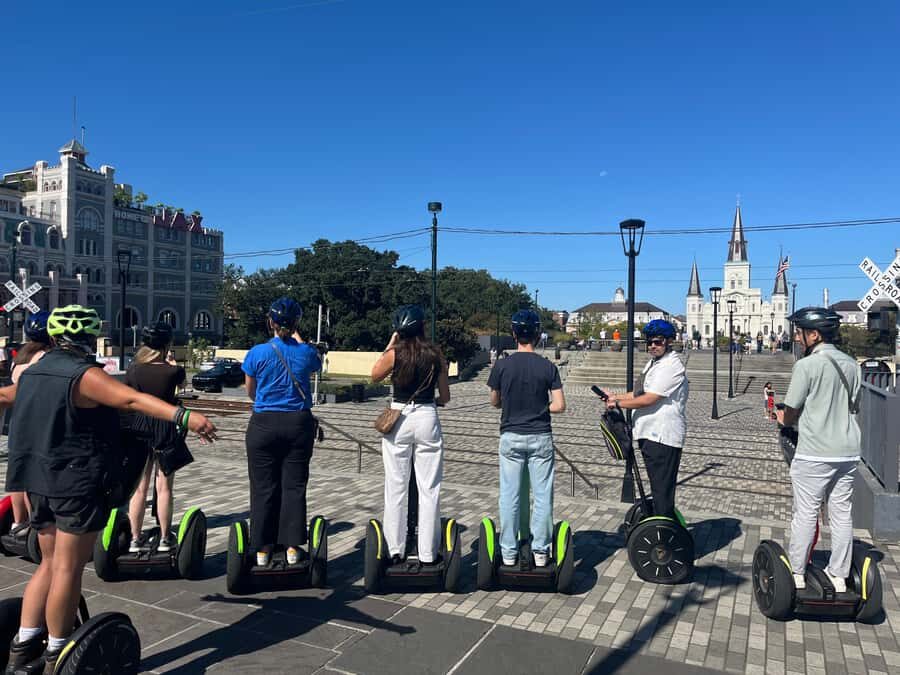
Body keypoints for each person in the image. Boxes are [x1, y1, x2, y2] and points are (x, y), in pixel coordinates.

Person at [2, 305, 216, 672]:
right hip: (73, 483)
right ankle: (57, 652)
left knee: (48, 564)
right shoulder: (82, 374)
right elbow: (131, 400)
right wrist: (186, 417)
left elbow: (7, 396)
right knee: (68, 569)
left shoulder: (35, 372)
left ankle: (23, 644)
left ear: (53, 338)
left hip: (36, 481)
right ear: (88, 339)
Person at [776, 307, 859, 592]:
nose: (797, 338)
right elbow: (854, 405)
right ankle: (839, 575)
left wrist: (779, 417)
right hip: (848, 451)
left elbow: (791, 411)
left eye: (800, 333)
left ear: (814, 335)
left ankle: (797, 572)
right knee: (841, 513)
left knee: (806, 513)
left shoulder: (806, 366)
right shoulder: (851, 364)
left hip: (815, 453)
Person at [242, 298, 323, 567]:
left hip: (264, 423)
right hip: (297, 425)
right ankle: (291, 547)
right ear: (296, 324)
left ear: (270, 322)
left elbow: (250, 391)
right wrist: (296, 334)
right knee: (294, 486)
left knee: (263, 487)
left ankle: (263, 549)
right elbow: (311, 359)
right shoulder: (306, 353)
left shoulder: (257, 352)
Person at [371, 305, 450, 564]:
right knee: (429, 488)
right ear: (422, 326)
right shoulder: (436, 354)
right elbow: (445, 397)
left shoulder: (395, 353)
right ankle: (427, 552)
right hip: (427, 416)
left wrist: (390, 344)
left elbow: (374, 375)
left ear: (399, 330)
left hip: (399, 418)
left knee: (396, 485)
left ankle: (396, 548)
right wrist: (432, 403)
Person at [487, 309, 565, 567]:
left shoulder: (502, 365)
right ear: (537, 335)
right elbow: (559, 405)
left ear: (513, 334)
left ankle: (508, 553)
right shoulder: (548, 366)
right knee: (542, 495)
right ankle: (541, 552)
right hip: (540, 436)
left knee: (510, 495)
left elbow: (494, 401)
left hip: (511, 436)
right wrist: (540, 408)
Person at [605, 319, 688, 520]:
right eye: (649, 342)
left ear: (669, 341)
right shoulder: (654, 363)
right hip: (650, 434)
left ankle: (665, 540)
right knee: (658, 489)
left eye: (657, 342)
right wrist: (614, 397)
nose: (652, 346)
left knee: (662, 491)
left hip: (662, 437)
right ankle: (661, 528)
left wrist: (617, 405)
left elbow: (650, 399)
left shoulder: (671, 367)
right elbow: (638, 393)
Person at [125, 322, 188, 553]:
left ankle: (134, 538)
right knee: (164, 487)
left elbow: (128, 396)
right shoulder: (173, 371)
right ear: (167, 344)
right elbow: (182, 387)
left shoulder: (133, 369)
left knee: (138, 488)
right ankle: (164, 538)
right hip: (166, 426)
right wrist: (171, 363)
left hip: (139, 426)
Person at [5, 311, 52, 547]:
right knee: (33, 475)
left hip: (17, 419)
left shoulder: (21, 355)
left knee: (18, 475)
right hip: (36, 420)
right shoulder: (44, 357)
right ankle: (34, 522)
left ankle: (17, 522)